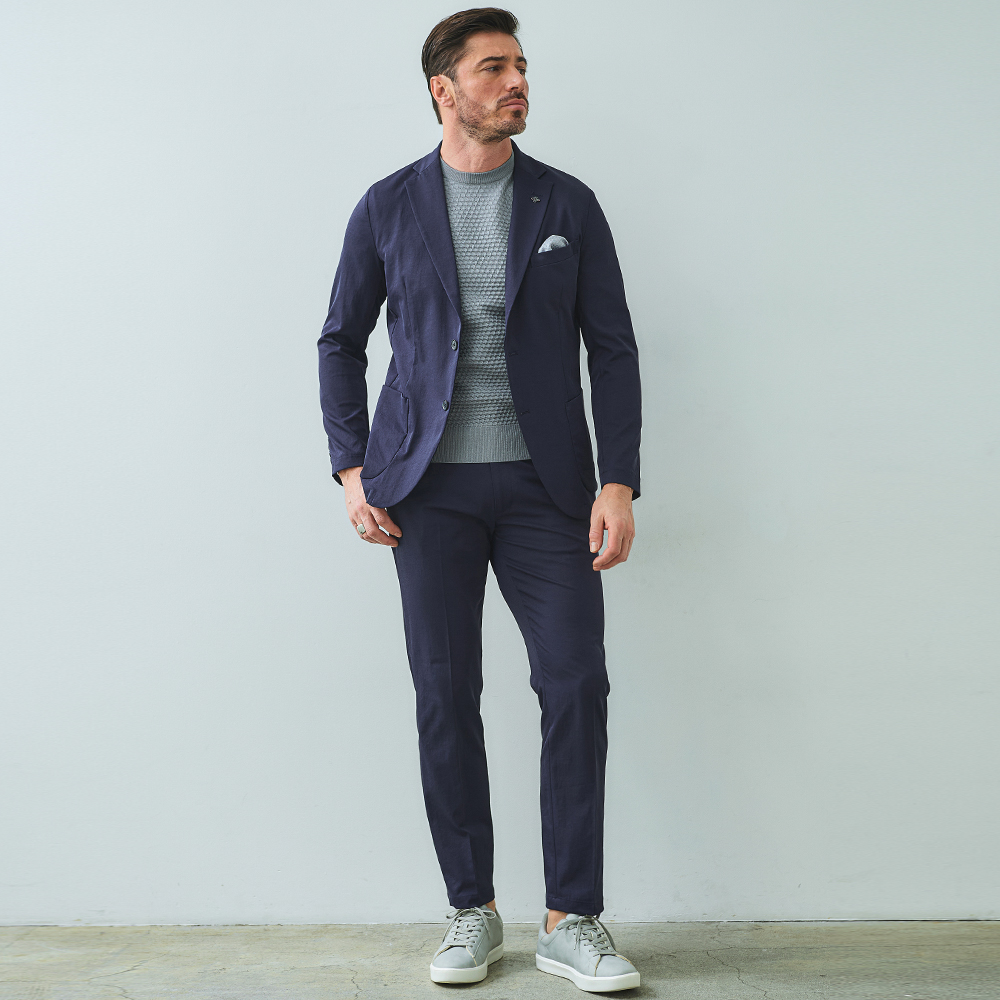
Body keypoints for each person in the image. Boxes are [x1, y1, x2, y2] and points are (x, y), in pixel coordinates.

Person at [317, 7, 642, 992]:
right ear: (443, 89)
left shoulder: (566, 203)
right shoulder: (387, 205)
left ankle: (572, 918)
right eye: (493, 67)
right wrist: (351, 469)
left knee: (575, 684)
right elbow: (339, 340)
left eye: (521, 66)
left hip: (548, 489)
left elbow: (612, 348)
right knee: (445, 693)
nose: (516, 82)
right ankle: (473, 908)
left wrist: (618, 479)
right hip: (428, 492)